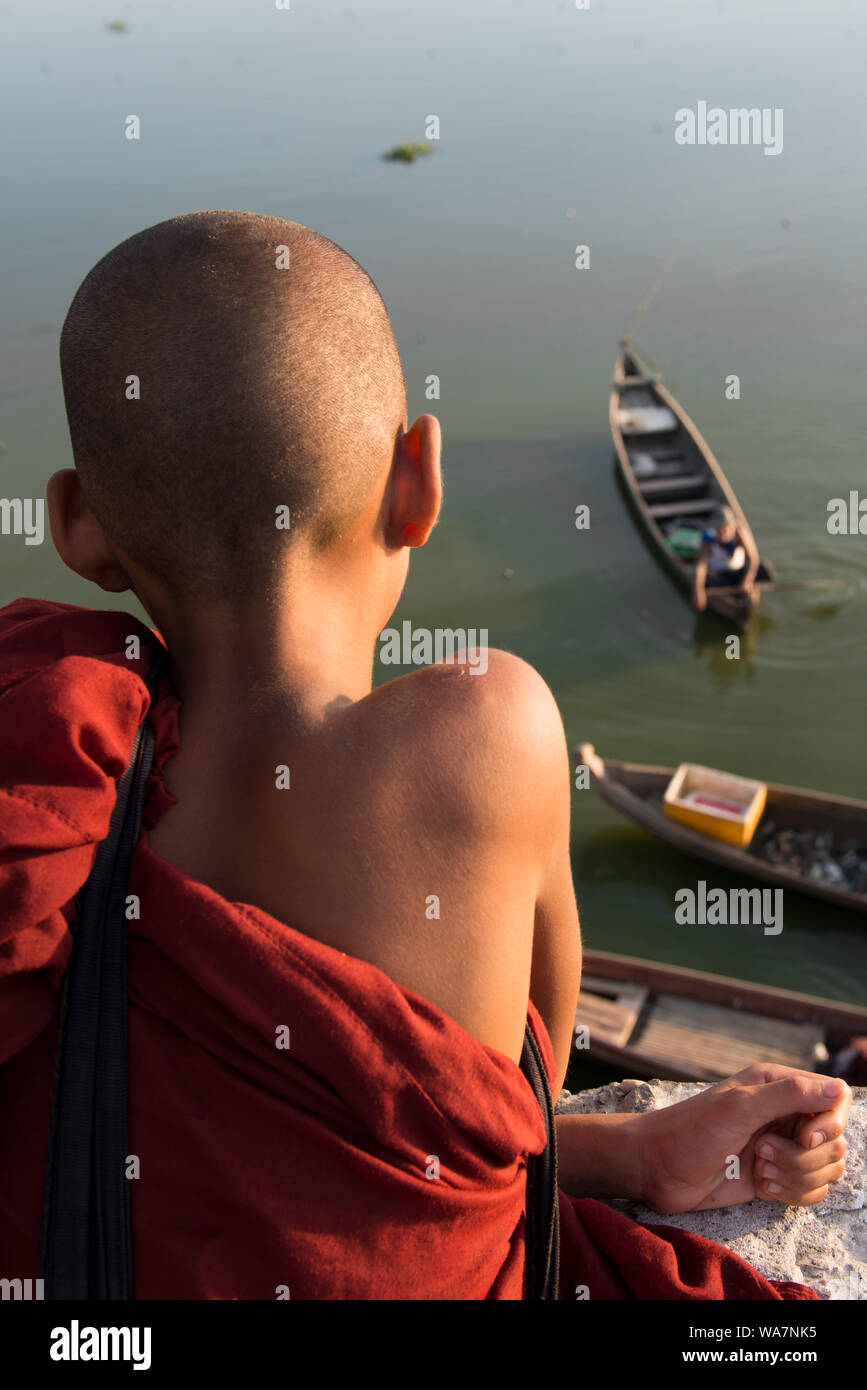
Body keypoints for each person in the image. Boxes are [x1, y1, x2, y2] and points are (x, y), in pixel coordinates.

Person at [0, 212, 850, 1299]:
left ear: (76, 525)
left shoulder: (45, 774)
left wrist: (633, 1151)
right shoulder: (488, 732)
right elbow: (516, 1102)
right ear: (419, 482)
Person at [692, 505, 758, 611]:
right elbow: (701, 566)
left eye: (728, 529)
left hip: (737, 571)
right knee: (702, 578)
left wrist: (747, 581)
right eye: (721, 530)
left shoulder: (740, 534)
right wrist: (698, 590)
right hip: (718, 574)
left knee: (764, 570)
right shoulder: (709, 539)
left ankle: (743, 589)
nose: (725, 534)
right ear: (714, 528)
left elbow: (753, 558)